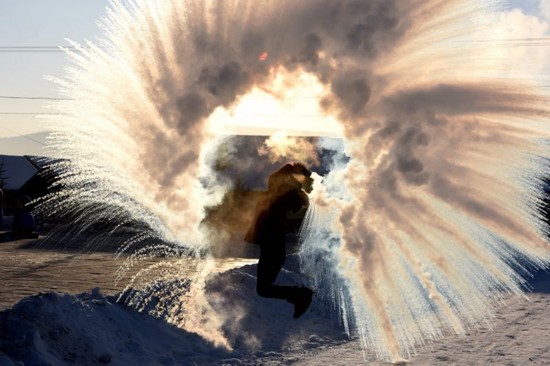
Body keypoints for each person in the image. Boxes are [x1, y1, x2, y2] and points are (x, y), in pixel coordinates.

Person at [245, 162, 314, 318]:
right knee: (263, 289)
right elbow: (274, 179)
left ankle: (302, 295)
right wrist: (292, 169)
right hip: (270, 247)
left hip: (273, 248)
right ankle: (300, 295)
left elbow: (275, 179)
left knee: (263, 289)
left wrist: (292, 170)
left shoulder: (291, 195)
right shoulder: (283, 192)